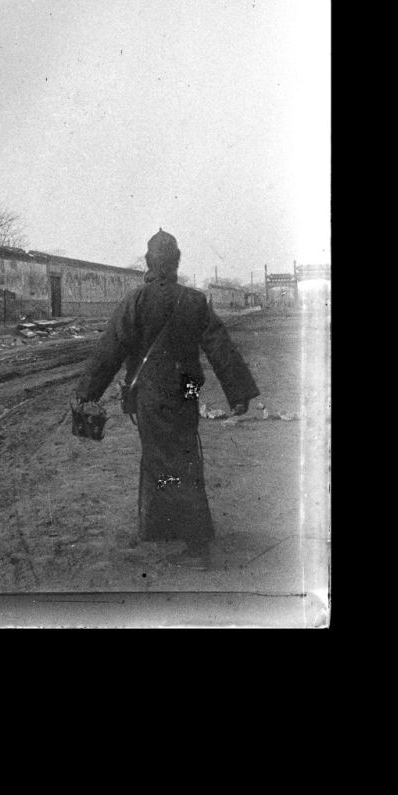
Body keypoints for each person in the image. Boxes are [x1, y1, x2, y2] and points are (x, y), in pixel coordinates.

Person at [72, 229, 260, 566]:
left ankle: (186, 535)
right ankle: (177, 530)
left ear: (148, 262)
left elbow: (109, 351)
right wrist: (239, 393)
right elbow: (220, 348)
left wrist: (87, 393)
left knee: (159, 459)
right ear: (176, 262)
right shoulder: (194, 300)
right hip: (188, 390)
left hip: (150, 395)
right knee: (186, 455)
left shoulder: (136, 300)